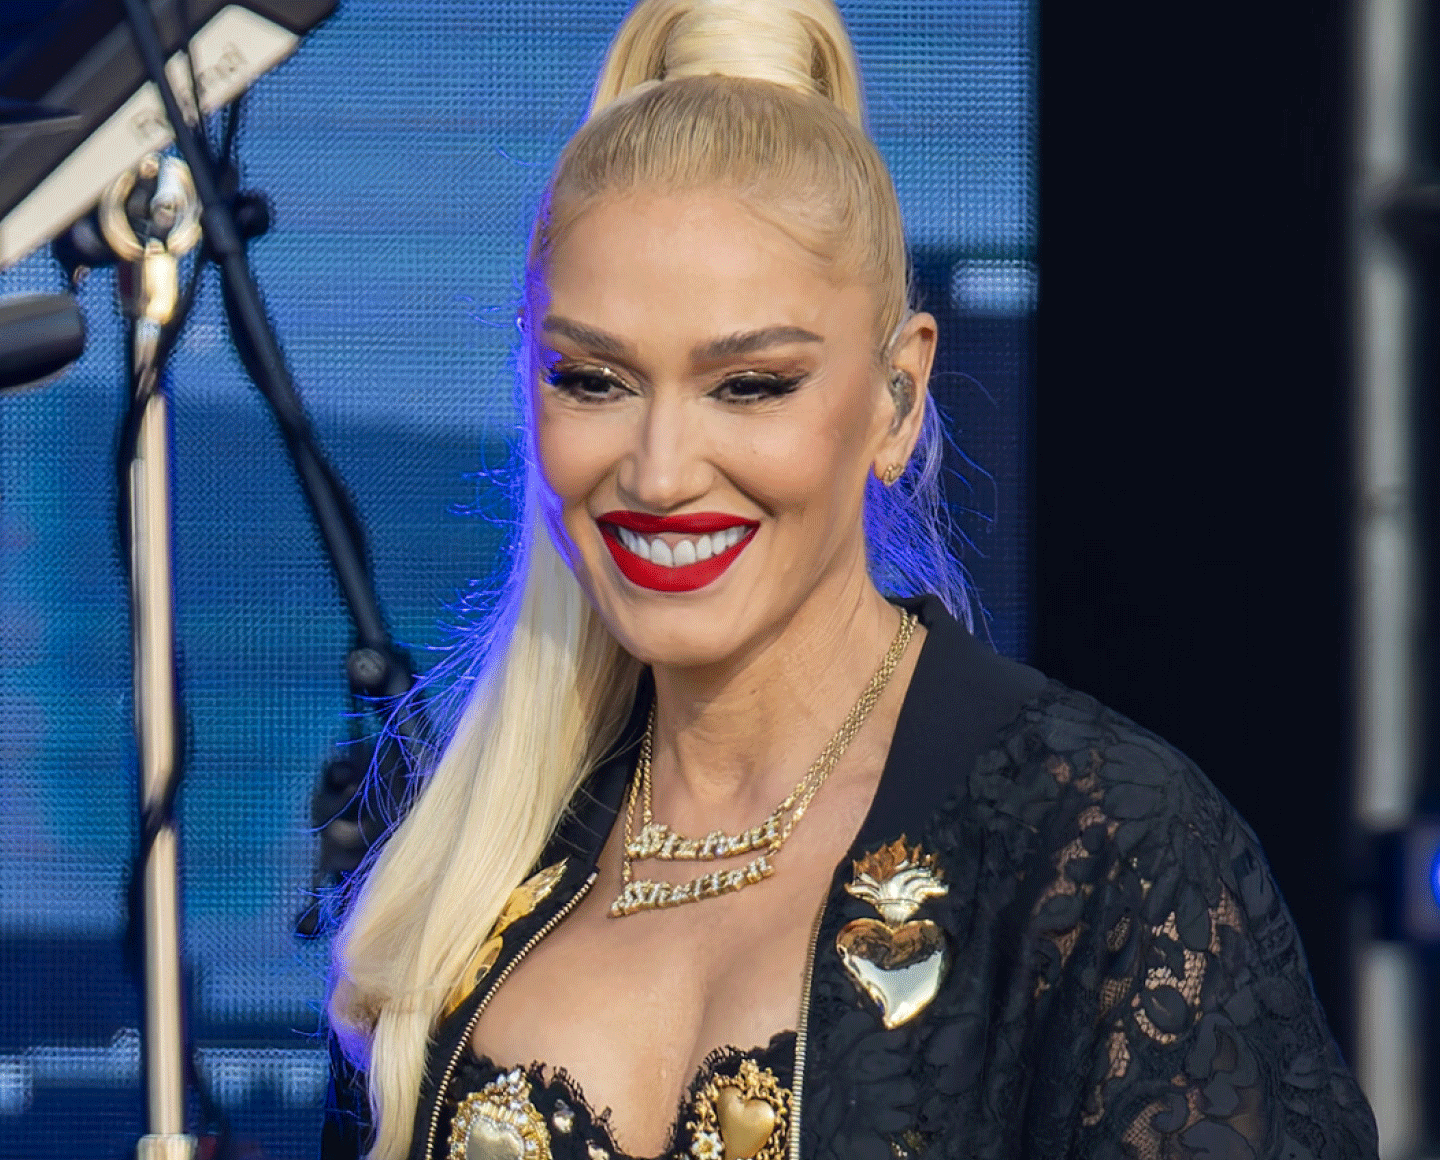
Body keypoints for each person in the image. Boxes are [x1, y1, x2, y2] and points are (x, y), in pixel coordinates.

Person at [322, 2, 1379, 1158]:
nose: (661, 471)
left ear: (897, 397)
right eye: (594, 378)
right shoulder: (461, 858)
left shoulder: (1100, 846)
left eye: (751, 384)